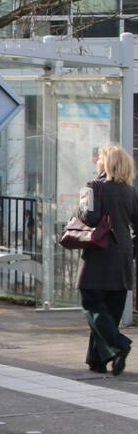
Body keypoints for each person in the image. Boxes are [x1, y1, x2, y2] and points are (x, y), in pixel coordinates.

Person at [77, 144, 138, 375]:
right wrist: (130, 252)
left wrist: (81, 204)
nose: (96, 162)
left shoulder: (94, 186)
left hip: (98, 256)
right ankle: (98, 360)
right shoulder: (130, 191)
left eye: (99, 159)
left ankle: (121, 344)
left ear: (105, 163)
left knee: (91, 305)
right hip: (122, 258)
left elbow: (90, 219)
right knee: (110, 311)